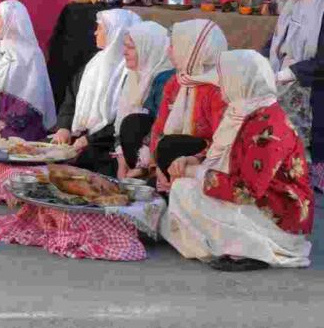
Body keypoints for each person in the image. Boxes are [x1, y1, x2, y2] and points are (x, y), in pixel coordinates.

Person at [160, 50, 312, 271]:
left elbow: (246, 191)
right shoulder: (246, 110)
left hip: (279, 217)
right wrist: (192, 160)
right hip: (261, 202)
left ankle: (254, 247)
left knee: (185, 190)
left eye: (225, 78)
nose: (221, 84)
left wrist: (196, 172)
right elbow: (228, 152)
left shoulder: (268, 126)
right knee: (183, 188)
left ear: (241, 80)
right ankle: (233, 243)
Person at [52, 9, 142, 176]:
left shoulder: (129, 72)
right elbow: (71, 98)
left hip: (106, 143)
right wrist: (64, 127)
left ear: (115, 33)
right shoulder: (93, 64)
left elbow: (122, 120)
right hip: (80, 135)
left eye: (100, 28)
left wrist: (90, 139)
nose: (95, 33)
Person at [149, 20, 228, 189]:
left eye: (174, 46)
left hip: (205, 160)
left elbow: (224, 142)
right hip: (173, 156)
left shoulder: (218, 89)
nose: (168, 51)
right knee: (143, 129)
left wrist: (193, 159)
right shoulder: (176, 81)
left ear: (192, 49)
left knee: (171, 144)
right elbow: (159, 127)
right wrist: (158, 167)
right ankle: (166, 181)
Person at [0, 0, 56, 141]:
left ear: (10, 21)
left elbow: (32, 99)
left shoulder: (32, 55)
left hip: (16, 129)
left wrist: (2, 124)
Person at [268, 0, 324, 168]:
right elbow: (275, 44)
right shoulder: (292, 6)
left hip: (311, 86)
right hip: (283, 78)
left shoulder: (321, 12)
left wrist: (287, 74)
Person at [113, 21, 175, 179]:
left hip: (157, 156)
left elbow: (160, 125)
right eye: (125, 46)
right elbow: (120, 125)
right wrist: (122, 161)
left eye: (131, 47)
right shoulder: (132, 77)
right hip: (132, 155)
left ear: (149, 49)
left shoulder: (165, 79)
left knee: (134, 122)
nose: (124, 52)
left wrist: (143, 165)